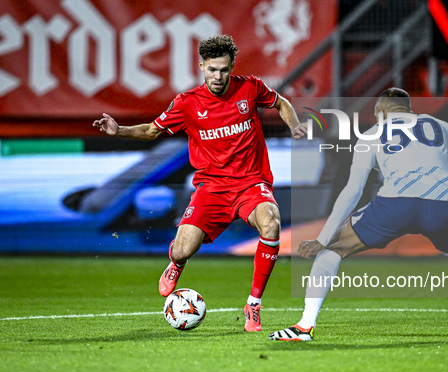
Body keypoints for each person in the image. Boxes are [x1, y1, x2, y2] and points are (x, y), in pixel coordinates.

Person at [269, 88, 448, 341]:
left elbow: (353, 190)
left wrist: (323, 238)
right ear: (408, 110)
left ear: (380, 111)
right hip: (442, 207)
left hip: (395, 206)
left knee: (333, 249)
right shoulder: (437, 125)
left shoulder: (373, 132)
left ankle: (305, 325)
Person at [93, 34, 307, 332]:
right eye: (212, 69)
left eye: (223, 69)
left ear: (232, 67)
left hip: (250, 183)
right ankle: (176, 265)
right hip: (212, 189)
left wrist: (294, 125)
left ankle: (254, 304)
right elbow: (152, 131)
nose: (218, 76)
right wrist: (119, 131)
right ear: (201, 66)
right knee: (182, 249)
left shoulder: (250, 88)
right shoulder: (188, 103)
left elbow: (281, 103)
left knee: (271, 225)